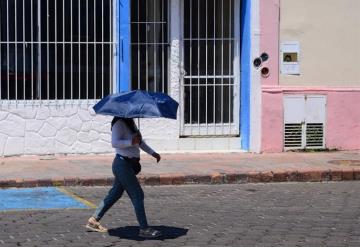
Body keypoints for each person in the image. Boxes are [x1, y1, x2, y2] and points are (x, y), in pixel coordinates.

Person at [86, 117, 162, 238]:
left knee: (115, 193)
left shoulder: (130, 122)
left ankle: (94, 220)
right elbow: (115, 143)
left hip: (129, 165)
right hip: (122, 164)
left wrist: (153, 153)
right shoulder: (119, 123)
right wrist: (131, 141)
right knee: (137, 194)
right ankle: (144, 229)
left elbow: (139, 142)